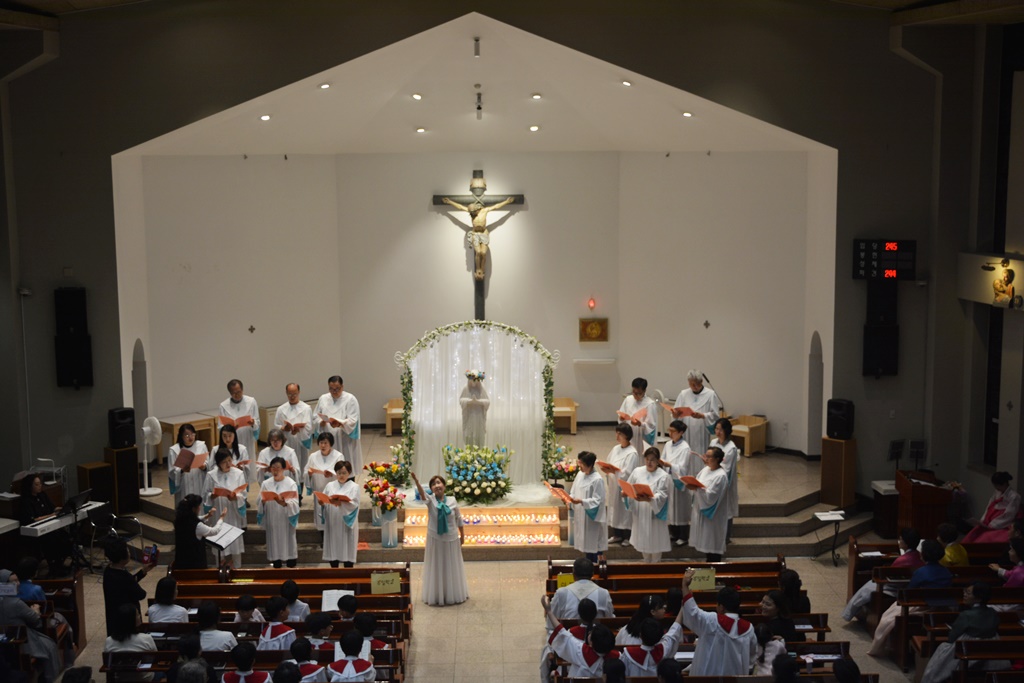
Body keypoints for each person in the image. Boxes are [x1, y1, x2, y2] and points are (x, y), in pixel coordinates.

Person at [868, 539, 953, 656]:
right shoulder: (947, 572)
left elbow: (909, 592)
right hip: (941, 607)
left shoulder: (921, 572)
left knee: (887, 617)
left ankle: (879, 647)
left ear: (924, 554)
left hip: (922, 607)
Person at [679, 568, 757, 676]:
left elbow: (692, 612)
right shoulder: (749, 629)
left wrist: (685, 586)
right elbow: (751, 658)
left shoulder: (711, 620)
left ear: (721, 607)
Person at [921, 582, 1001, 683]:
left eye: (968, 593)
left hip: (968, 651)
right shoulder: (993, 613)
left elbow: (952, 638)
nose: (964, 594)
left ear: (978, 598)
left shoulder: (966, 615)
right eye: (965, 591)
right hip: (990, 654)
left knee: (941, 651)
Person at [411, 471, 469, 605]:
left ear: (444, 486)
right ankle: (437, 594)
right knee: (437, 566)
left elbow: (459, 519)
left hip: (451, 539)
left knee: (451, 566)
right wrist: (417, 482)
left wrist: (462, 535)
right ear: (431, 489)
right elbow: (422, 494)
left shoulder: (452, 500)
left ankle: (452, 593)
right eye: (433, 484)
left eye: (439, 483)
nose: (437, 486)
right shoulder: (430, 500)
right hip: (435, 539)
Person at [841, 527, 923, 621]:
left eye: (901, 539)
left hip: (894, 588)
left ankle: (849, 613)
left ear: (906, 543)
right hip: (908, 587)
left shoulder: (902, 560)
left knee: (867, 588)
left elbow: (889, 576)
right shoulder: (920, 556)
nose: (899, 541)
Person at [0, 569, 63, 683]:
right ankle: (52, 679)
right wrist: (36, 611)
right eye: (14, 582)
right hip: (22, 641)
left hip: (4, 642)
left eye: (18, 580)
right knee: (50, 646)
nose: (18, 584)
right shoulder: (16, 603)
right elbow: (36, 622)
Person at [440, 191, 516, 281]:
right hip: (475, 234)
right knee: (478, 252)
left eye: (472, 212)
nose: (471, 214)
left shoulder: (484, 211)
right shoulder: (471, 213)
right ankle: (478, 269)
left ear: (476, 209)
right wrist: (449, 202)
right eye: (470, 213)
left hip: (484, 233)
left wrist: (507, 202)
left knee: (483, 253)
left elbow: (496, 206)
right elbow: (460, 207)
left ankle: (482, 270)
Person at [542, 596, 620, 678]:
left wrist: (549, 611)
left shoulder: (581, 653)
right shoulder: (618, 657)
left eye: (591, 634)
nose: (589, 633)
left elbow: (562, 632)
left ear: (591, 644)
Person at [18, 473, 72, 575]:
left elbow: (53, 508)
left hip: (50, 527)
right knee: (53, 541)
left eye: (40, 483)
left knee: (65, 537)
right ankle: (54, 566)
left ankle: (59, 563)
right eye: (36, 484)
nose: (40, 486)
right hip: (38, 531)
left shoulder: (42, 495)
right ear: (30, 486)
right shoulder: (26, 501)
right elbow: (34, 519)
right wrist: (51, 515)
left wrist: (64, 508)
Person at [625, 447, 671, 563]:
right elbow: (629, 486)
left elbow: (662, 495)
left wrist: (649, 499)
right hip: (641, 512)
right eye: (647, 459)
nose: (649, 462)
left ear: (658, 461)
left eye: (653, 460)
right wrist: (626, 493)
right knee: (643, 540)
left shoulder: (663, 476)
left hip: (654, 514)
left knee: (655, 541)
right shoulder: (637, 471)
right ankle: (646, 563)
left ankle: (655, 564)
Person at [102, 538, 156, 637]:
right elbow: (141, 594)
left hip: (114, 616)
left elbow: (128, 583)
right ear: (122, 557)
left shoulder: (108, 570)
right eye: (127, 551)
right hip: (128, 618)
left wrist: (142, 572)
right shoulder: (124, 577)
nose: (129, 552)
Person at [205, 448, 247, 567]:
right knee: (219, 538)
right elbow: (205, 494)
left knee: (235, 541)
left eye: (229, 460)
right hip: (219, 510)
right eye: (224, 462)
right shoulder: (211, 475)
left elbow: (243, 494)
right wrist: (212, 496)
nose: (228, 464)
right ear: (218, 463)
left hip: (233, 511)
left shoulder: (238, 473)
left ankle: (237, 567)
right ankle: (220, 565)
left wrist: (236, 497)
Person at [687, 447, 730, 561]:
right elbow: (699, 484)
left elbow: (711, 497)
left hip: (713, 516)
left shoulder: (720, 476)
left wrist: (696, 488)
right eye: (705, 455)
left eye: (709, 456)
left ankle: (714, 567)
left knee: (713, 545)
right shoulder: (706, 470)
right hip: (701, 511)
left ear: (717, 459)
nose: (705, 458)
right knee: (706, 544)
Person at [314, 375, 362, 474]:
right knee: (330, 468)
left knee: (345, 464)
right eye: (331, 389)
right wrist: (321, 422)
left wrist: (340, 424)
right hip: (328, 438)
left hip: (344, 438)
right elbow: (315, 416)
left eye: (337, 389)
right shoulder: (323, 398)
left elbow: (353, 420)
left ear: (342, 387)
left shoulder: (350, 399)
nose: (334, 392)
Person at [258, 457, 300, 568]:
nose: (275, 470)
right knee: (275, 547)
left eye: (278, 468)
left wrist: (285, 503)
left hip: (285, 519)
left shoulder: (291, 484)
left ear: (284, 469)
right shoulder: (266, 484)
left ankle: (291, 564)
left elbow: (295, 503)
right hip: (272, 519)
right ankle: (277, 566)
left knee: (288, 545)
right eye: (273, 468)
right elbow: (259, 501)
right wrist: (262, 502)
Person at [566, 451, 608, 563]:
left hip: (592, 519)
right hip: (581, 515)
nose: (579, 466)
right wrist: (569, 499)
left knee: (593, 544)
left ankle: (596, 566)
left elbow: (597, 501)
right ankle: (587, 565)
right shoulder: (580, 474)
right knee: (586, 544)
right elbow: (573, 490)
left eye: (582, 464)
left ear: (590, 465)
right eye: (579, 462)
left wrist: (581, 501)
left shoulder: (597, 480)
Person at [548, 557, 615, 626]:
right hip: (596, 632)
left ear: (573, 573)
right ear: (592, 573)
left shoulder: (561, 593)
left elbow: (551, 622)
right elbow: (609, 620)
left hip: (567, 631)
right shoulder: (603, 593)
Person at [661, 420, 697, 547]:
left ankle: (683, 535)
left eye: (673, 431)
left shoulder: (685, 448)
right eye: (669, 430)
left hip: (679, 482)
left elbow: (683, 468)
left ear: (681, 432)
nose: (670, 433)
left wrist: (669, 465)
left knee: (680, 509)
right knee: (671, 508)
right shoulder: (667, 444)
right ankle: (673, 533)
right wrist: (662, 463)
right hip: (669, 480)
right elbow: (663, 458)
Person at [617, 611, 686, 676]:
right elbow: (673, 632)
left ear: (640, 635)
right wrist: (682, 609)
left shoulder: (628, 655)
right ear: (660, 637)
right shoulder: (664, 650)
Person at [604, 423, 639, 547]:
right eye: (617, 433)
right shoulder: (616, 449)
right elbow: (609, 462)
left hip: (624, 487)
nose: (617, 436)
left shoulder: (632, 453)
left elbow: (629, 473)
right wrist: (607, 469)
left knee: (624, 512)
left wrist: (615, 472)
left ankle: (627, 536)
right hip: (614, 485)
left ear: (627, 436)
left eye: (620, 434)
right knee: (615, 509)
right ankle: (617, 534)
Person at [671, 369, 721, 456]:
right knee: (687, 454)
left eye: (697, 384)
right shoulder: (683, 394)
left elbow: (715, 415)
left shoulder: (710, 394)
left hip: (701, 432)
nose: (695, 386)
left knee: (700, 454)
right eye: (692, 384)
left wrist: (703, 415)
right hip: (687, 431)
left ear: (701, 381)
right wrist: (675, 415)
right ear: (688, 382)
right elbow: (676, 412)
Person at [104, 603, 157, 681]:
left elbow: (108, 663)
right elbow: (155, 658)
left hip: (120, 679)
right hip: (144, 678)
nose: (140, 616)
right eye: (137, 614)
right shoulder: (146, 638)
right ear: (132, 620)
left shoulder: (109, 641)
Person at [963, 471, 1021, 543]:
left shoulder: (1014, 496)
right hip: (990, 518)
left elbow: (1009, 515)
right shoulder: (997, 492)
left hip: (1003, 523)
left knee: (986, 538)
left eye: (998, 486)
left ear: (1005, 484)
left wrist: (994, 525)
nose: (996, 488)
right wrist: (983, 519)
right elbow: (989, 505)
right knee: (974, 533)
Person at [322, 460, 360, 568]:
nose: (341, 475)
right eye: (339, 473)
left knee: (347, 549)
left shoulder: (354, 487)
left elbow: (355, 504)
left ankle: (348, 572)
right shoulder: (330, 485)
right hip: (333, 522)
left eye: (344, 473)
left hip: (345, 523)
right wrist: (322, 502)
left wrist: (341, 503)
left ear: (349, 473)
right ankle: (334, 571)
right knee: (333, 549)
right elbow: (325, 499)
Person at [173, 493, 224, 570]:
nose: (200, 508)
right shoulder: (197, 526)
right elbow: (214, 531)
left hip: (181, 562)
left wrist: (207, 516)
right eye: (198, 506)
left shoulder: (179, 520)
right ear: (193, 509)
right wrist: (221, 518)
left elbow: (195, 518)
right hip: (195, 566)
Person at [220, 379, 261, 474]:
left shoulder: (251, 402)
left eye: (239, 392)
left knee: (248, 464)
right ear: (230, 392)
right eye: (234, 393)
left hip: (247, 437)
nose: (237, 395)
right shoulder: (223, 406)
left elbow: (257, 421)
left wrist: (253, 423)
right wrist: (230, 429)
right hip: (232, 440)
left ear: (242, 389)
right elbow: (220, 427)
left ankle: (249, 481)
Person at [709, 417, 740, 541]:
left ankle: (726, 537)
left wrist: (712, 465)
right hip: (712, 478)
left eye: (720, 430)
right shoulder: (713, 443)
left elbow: (725, 468)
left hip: (724, 481)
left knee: (726, 508)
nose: (717, 432)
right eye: (716, 429)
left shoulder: (731, 448)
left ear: (726, 431)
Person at [306, 433, 343, 532]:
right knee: (320, 513)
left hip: (333, 491)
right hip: (319, 489)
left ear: (331, 443)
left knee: (332, 514)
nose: (323, 445)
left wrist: (332, 474)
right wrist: (309, 474)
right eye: (321, 443)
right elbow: (306, 471)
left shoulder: (338, 456)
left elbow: (343, 473)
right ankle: (322, 534)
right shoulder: (313, 456)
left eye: (326, 443)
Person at [168, 423, 210, 507]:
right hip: (184, 485)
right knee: (185, 507)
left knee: (198, 506)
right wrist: (181, 470)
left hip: (199, 482)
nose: (191, 438)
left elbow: (208, 463)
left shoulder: (201, 446)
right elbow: (171, 472)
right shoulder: (174, 450)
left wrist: (204, 467)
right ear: (181, 436)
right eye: (187, 435)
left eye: (192, 434)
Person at [276, 383, 313, 467]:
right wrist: (283, 428)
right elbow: (276, 425)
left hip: (300, 442)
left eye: (294, 394)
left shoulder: (306, 408)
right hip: (287, 441)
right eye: (290, 394)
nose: (292, 397)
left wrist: (299, 430)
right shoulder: (281, 409)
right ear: (286, 393)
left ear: (299, 392)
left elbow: (309, 427)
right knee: (288, 464)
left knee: (302, 464)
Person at [617, 377, 657, 454]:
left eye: (638, 393)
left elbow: (651, 426)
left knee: (640, 455)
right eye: (633, 392)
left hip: (641, 437)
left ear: (644, 391)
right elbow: (621, 414)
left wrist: (640, 424)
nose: (635, 395)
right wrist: (621, 418)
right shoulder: (628, 399)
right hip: (629, 434)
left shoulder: (649, 404)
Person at [459, 369, 490, 447]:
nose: (474, 382)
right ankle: (469, 454)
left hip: (479, 417)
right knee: (469, 436)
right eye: (472, 380)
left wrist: (478, 402)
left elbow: (487, 401)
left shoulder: (482, 389)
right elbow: (461, 400)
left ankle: (479, 453)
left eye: (476, 380)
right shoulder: (466, 388)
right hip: (469, 416)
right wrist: (469, 401)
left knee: (479, 437)